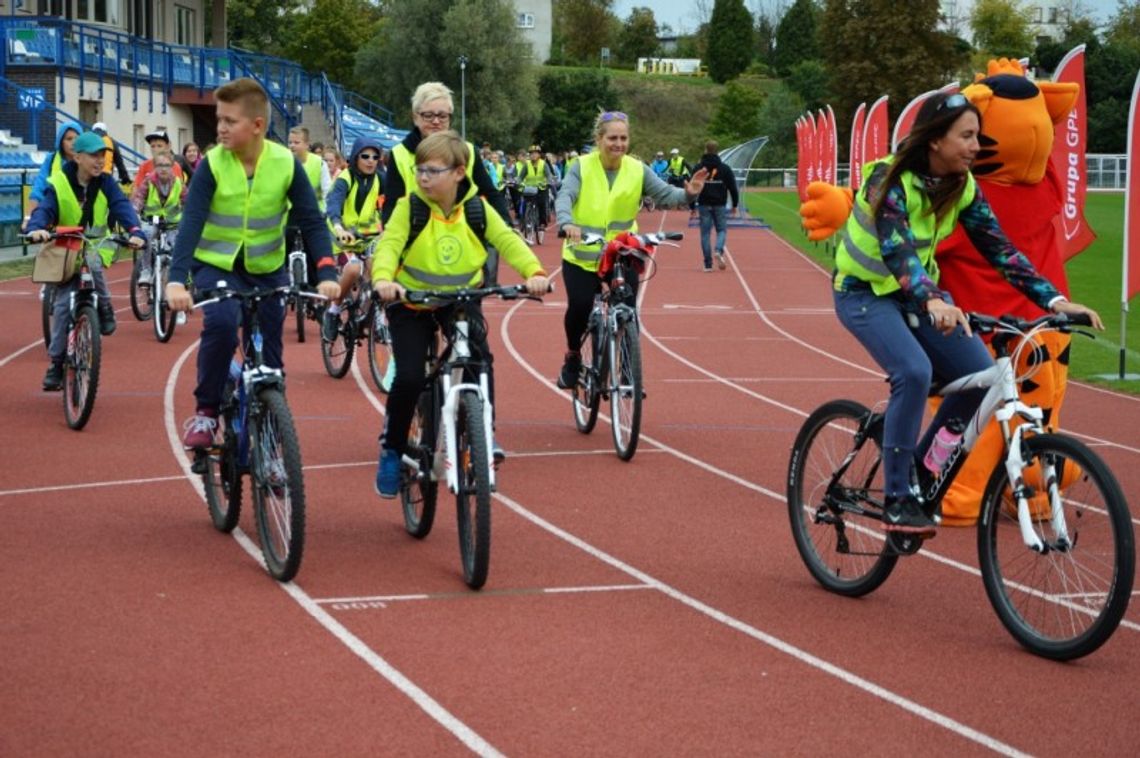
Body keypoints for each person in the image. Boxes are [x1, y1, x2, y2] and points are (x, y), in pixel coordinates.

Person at [830, 91, 1102, 534]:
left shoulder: (962, 185)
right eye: (967, 136)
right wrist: (933, 299)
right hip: (863, 293)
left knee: (980, 377)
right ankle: (897, 496)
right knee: (913, 372)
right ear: (935, 139)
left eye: (979, 135)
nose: (977, 146)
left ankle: (923, 470)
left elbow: (1000, 249)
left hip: (918, 297)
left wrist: (1053, 301)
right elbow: (897, 248)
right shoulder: (887, 179)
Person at [164, 77, 340, 450]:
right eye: (219, 119)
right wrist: (176, 280)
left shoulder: (285, 164)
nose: (220, 128)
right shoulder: (212, 164)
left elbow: (312, 221)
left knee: (271, 358)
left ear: (257, 125)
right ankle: (206, 410)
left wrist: (326, 272)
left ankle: (272, 435)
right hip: (217, 267)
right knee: (224, 325)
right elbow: (191, 223)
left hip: (267, 269)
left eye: (230, 121)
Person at [371, 130, 549, 498]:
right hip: (412, 302)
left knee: (479, 359)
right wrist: (384, 279)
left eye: (432, 171)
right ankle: (391, 449)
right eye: (420, 170)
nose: (423, 178)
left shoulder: (476, 208)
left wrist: (534, 272)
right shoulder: (409, 207)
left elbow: (507, 240)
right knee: (408, 377)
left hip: (460, 300)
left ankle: (484, 430)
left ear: (458, 172)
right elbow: (389, 244)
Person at [555, 111, 708, 389]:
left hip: (622, 254)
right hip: (582, 256)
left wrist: (689, 193)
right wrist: (566, 222)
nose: (619, 144)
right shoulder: (581, 166)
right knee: (579, 306)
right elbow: (565, 195)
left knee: (627, 309)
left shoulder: (637, 169)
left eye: (623, 138)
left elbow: (665, 194)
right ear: (599, 139)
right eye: (612, 138)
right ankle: (573, 357)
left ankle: (628, 368)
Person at [25, 131, 146, 390]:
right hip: (66, 247)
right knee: (61, 306)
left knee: (93, 265)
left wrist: (135, 231)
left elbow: (121, 206)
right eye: (94, 155)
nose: (100, 160)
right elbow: (45, 209)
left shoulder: (106, 182)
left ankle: (105, 306)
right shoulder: (59, 182)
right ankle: (56, 362)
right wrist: (37, 228)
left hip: (95, 244)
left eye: (102, 155)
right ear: (78, 157)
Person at [382, 82, 511, 229]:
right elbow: (391, 205)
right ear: (415, 117)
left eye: (442, 116)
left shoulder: (468, 151)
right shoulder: (399, 154)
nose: (436, 121)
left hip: (463, 237)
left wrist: (507, 226)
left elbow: (491, 194)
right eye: (428, 115)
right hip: (417, 238)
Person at [323, 135, 385, 343]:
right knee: (352, 269)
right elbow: (333, 204)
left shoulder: (380, 178)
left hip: (368, 236)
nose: (370, 161)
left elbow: (395, 201)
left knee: (379, 269)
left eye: (375, 157)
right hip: (342, 236)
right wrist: (338, 227)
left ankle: (372, 316)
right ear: (356, 157)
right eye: (365, 156)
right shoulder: (345, 179)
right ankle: (333, 311)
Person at [129, 151, 187, 281]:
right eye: (160, 165)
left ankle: (175, 275)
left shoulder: (178, 183)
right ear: (155, 167)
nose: (163, 169)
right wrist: (134, 213)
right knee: (146, 236)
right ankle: (146, 270)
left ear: (172, 166)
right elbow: (139, 198)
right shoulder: (148, 181)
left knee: (175, 246)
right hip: (152, 221)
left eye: (167, 165)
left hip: (172, 224)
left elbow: (188, 201)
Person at [693, 140, 740, 272]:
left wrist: (691, 206)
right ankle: (718, 250)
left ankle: (708, 264)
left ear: (705, 150)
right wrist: (735, 204)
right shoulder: (725, 168)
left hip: (703, 204)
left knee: (705, 234)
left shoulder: (698, 168)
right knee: (721, 230)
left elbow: (692, 186)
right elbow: (733, 188)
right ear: (717, 151)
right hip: (719, 204)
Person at [24, 120, 82, 227]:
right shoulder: (51, 160)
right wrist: (28, 218)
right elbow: (38, 189)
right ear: (61, 142)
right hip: (56, 221)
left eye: (77, 138)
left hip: (83, 221)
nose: (74, 143)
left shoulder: (87, 160)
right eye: (69, 139)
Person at [288, 125, 332, 209]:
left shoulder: (320, 163)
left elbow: (327, 192)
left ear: (307, 144)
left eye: (296, 142)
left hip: (314, 212)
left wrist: (325, 212)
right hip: (289, 213)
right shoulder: (283, 162)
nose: (292, 145)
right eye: (290, 142)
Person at [518, 144, 557, 229]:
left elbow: (548, 175)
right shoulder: (527, 164)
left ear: (539, 155)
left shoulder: (544, 164)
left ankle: (542, 223)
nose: (533, 155)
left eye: (536, 153)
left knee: (542, 204)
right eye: (531, 153)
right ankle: (523, 220)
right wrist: (518, 182)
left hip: (541, 188)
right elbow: (520, 177)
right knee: (523, 203)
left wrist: (549, 181)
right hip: (529, 188)